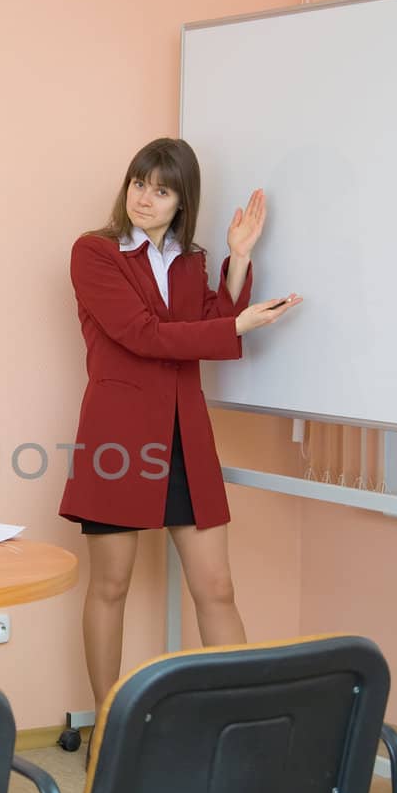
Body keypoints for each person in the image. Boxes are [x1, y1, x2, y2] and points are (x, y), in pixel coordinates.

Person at [59, 138, 300, 709]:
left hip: (185, 437)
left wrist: (237, 258)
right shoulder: (94, 253)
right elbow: (145, 335)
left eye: (161, 190)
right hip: (118, 438)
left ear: (181, 200)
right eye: (139, 183)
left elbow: (212, 326)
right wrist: (235, 326)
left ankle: (237, 725)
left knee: (217, 587)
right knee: (111, 587)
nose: (144, 198)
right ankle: (110, 725)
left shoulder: (190, 262)